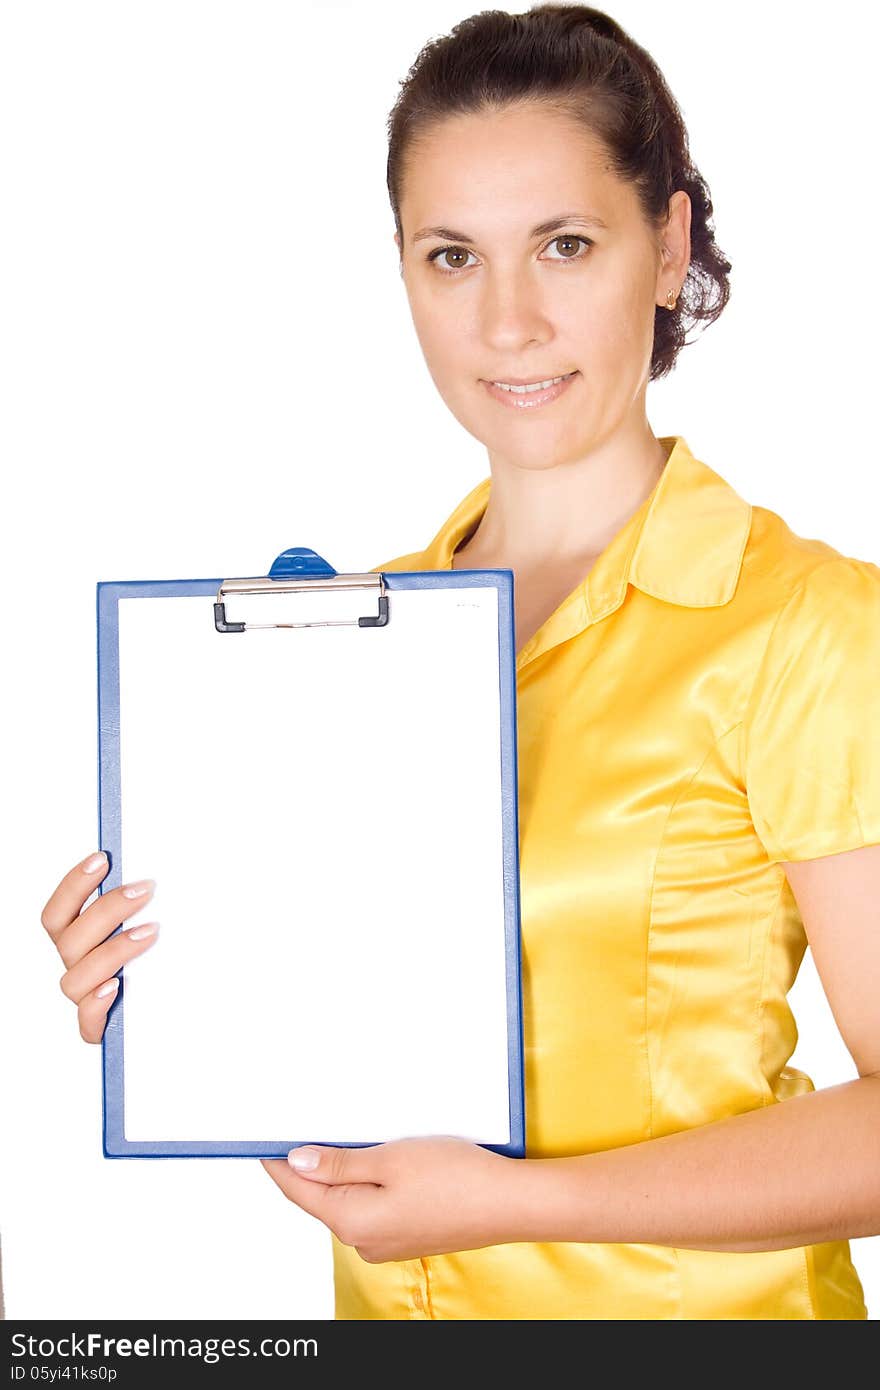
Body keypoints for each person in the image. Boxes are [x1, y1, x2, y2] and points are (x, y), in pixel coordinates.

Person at [41, 4, 880, 1321]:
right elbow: (329, 1022)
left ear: (665, 247)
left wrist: (520, 1199)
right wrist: (168, 995)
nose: (507, 321)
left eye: (565, 244)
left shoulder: (805, 628)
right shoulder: (347, 652)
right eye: (450, 256)